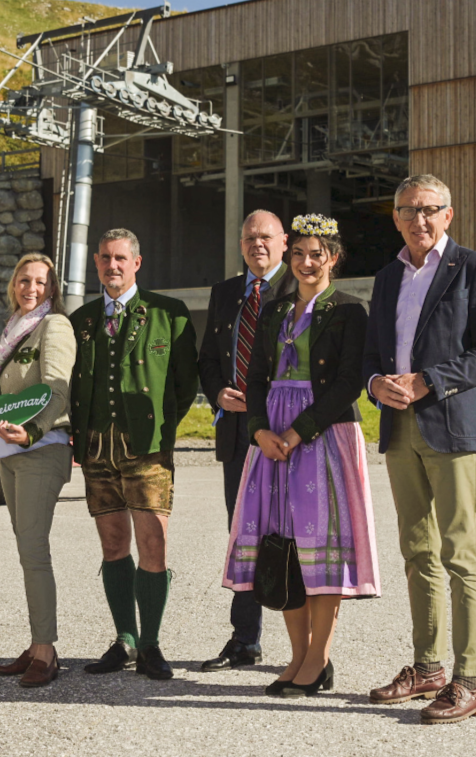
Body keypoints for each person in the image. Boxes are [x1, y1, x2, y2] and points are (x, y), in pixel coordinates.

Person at [361, 174, 476, 724]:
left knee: (461, 555)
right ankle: (428, 668)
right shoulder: (386, 277)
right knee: (416, 551)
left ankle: (469, 679)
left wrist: (430, 379)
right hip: (399, 430)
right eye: (407, 211)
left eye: (429, 210)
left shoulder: (473, 269)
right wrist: (375, 383)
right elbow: (372, 354)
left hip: (450, 427)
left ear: (449, 214)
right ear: (396, 218)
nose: (418, 220)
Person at [222, 214, 379, 698]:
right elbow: (252, 379)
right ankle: (296, 654)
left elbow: (350, 381)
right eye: (299, 254)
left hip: (323, 433)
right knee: (282, 544)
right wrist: (259, 430)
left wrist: (298, 431)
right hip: (272, 436)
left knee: (320, 547)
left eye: (318, 254)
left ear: (334, 258)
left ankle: (319, 657)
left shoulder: (351, 311)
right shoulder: (274, 311)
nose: (307, 263)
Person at [69, 228, 199, 681]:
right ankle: (124, 637)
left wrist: (159, 428)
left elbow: (185, 386)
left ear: (137, 263)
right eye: (105, 258)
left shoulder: (170, 314)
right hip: (96, 448)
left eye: (121, 258)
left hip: (147, 448)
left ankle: (151, 643)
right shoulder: (81, 319)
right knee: (111, 544)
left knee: (153, 544)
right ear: (96, 263)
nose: (113, 265)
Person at [197, 209, 295, 672]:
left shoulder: (300, 288)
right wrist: (217, 391)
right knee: (243, 537)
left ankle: (308, 645)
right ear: (241, 245)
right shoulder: (225, 294)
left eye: (266, 237)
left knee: (297, 535)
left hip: (285, 434)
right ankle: (244, 639)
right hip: (236, 437)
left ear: (284, 242)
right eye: (250, 237)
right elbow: (208, 361)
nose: (258, 244)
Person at [0, 254, 76, 689]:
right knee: (26, 552)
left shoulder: (54, 326)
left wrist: (33, 431)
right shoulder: (12, 327)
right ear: (13, 284)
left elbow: (58, 390)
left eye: (41, 282)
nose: (31, 288)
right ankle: (38, 641)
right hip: (10, 452)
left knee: (34, 550)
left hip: (42, 448)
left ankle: (46, 651)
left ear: (52, 288)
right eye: (24, 280)